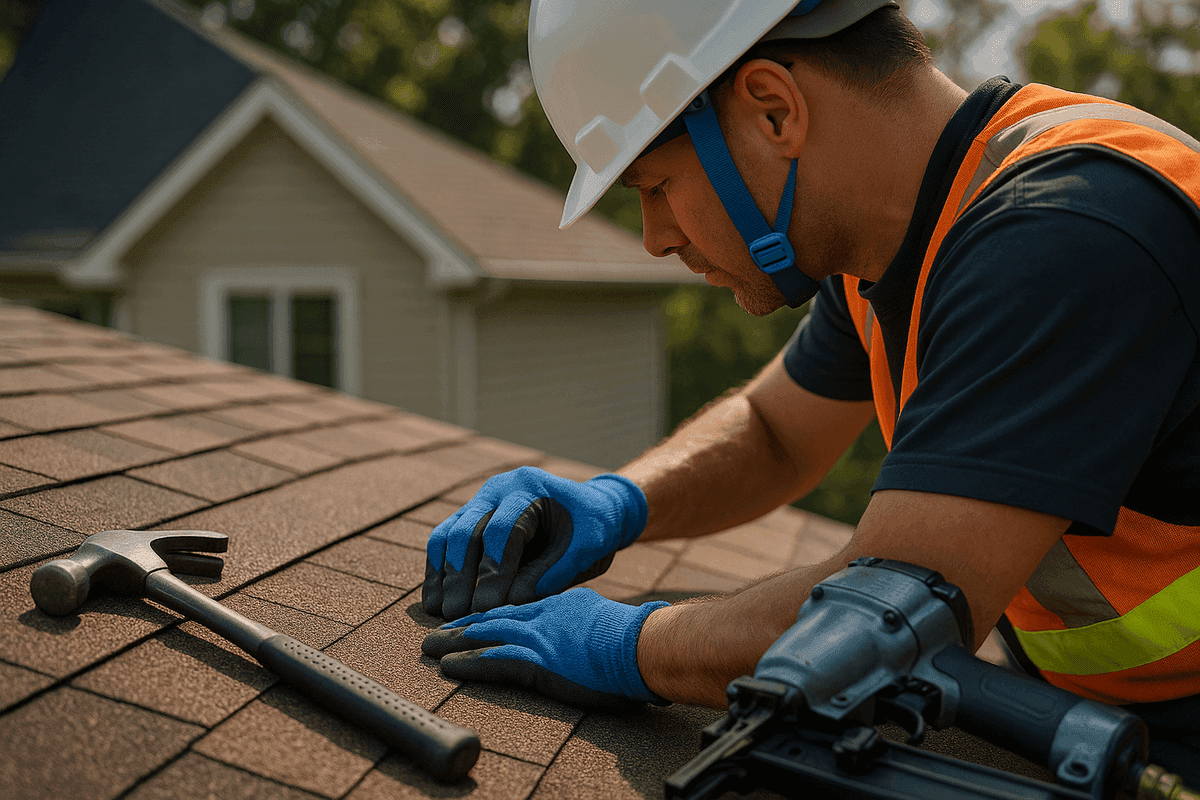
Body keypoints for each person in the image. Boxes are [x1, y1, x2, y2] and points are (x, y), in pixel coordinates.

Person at [421, 0, 1200, 780]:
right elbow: (774, 431)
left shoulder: (1065, 231)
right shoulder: (901, 240)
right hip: (1103, 726)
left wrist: (627, 644)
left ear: (773, 110)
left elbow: (890, 612)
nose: (656, 235)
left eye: (654, 184)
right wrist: (618, 503)